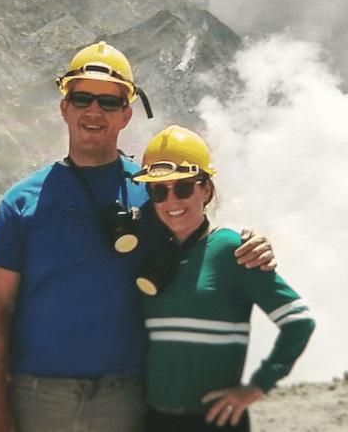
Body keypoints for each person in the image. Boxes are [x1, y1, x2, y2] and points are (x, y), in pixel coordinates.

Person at [0, 41, 277, 432]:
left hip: (127, 398)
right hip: (36, 398)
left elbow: (198, 242)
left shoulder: (154, 191)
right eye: (83, 98)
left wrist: (251, 244)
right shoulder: (20, 203)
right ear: (65, 107)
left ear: (126, 115)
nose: (94, 111)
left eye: (109, 102)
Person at [132, 125, 315, 432]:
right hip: (155, 420)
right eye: (159, 190)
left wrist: (258, 386)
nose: (171, 200)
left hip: (217, 423)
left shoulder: (232, 248)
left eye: (184, 188)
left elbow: (298, 321)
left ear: (206, 189)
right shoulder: (149, 253)